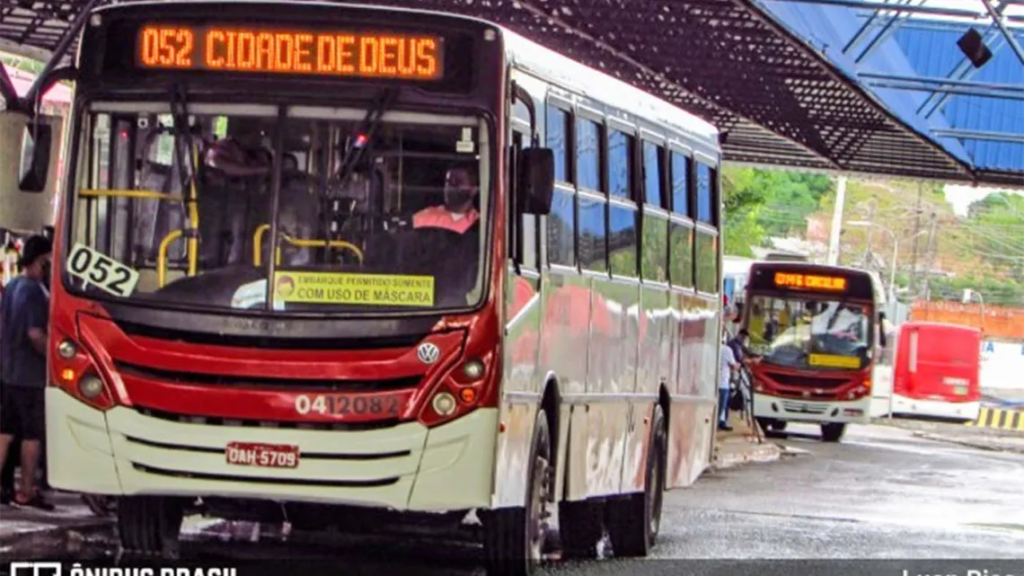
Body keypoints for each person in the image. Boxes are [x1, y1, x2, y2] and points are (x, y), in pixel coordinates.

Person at [0, 235, 55, 510]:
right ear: (41, 260)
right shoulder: (35, 291)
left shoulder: (11, 286)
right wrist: (55, 359)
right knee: (32, 435)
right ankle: (26, 491)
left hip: (8, 372)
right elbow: (35, 334)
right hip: (31, 376)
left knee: (6, 431)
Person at [413, 165, 479, 234]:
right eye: (448, 182)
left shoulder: (481, 224)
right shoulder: (425, 217)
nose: (451, 187)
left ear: (473, 190)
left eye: (458, 182)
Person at [719, 326, 739, 432]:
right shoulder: (727, 350)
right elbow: (733, 365)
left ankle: (720, 423)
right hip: (723, 384)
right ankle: (720, 424)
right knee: (722, 407)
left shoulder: (710, 347)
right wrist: (739, 365)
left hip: (709, 384)